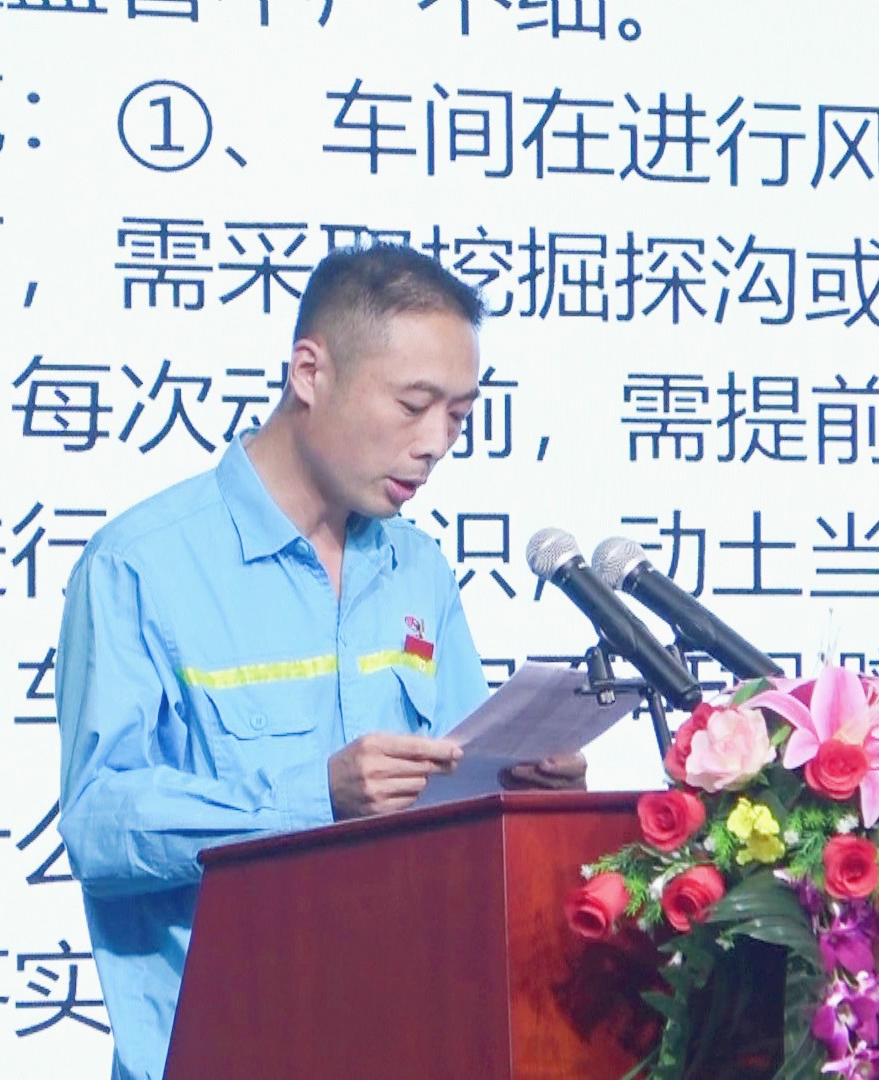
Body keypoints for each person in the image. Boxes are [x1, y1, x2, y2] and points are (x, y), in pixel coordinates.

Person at [54, 244, 584, 1080]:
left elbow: (456, 794)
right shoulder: (141, 564)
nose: (435, 444)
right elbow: (98, 824)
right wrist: (316, 799)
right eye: (413, 405)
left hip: (414, 1043)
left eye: (458, 416)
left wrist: (519, 792)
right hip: (229, 1052)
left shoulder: (416, 567)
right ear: (310, 372)